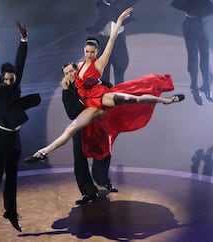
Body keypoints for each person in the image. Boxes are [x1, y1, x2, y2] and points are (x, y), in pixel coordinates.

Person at [25, 7, 184, 164]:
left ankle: (167, 101)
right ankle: (42, 152)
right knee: (71, 129)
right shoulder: (78, 66)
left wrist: (120, 20)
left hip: (102, 98)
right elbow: (71, 78)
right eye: (87, 51)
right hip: (90, 105)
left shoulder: (99, 64)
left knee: (133, 98)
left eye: (92, 52)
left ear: (97, 52)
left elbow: (112, 40)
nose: (89, 54)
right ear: (84, 50)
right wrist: (68, 81)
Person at [0, 24, 41, 236]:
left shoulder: (15, 85)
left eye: (12, 79)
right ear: (1, 78)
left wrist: (24, 40)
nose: (9, 82)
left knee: (13, 177)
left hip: (14, 137)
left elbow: (20, 63)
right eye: (6, 79)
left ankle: (11, 212)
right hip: (0, 137)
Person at [61, 62, 117, 205]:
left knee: (103, 153)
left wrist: (98, 81)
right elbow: (71, 113)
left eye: (71, 71)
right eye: (66, 73)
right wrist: (77, 97)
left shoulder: (88, 80)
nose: (70, 75)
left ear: (77, 70)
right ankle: (88, 192)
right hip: (80, 127)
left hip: (96, 124)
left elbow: (109, 86)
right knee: (79, 160)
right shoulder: (67, 91)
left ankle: (103, 181)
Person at [171, 0, 213, 105]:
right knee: (193, 56)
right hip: (191, 24)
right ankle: (195, 85)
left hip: (202, 24)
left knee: (204, 56)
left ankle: (206, 86)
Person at [86, 0, 138, 85]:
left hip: (118, 41)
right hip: (103, 41)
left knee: (120, 70)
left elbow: (126, 15)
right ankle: (106, 94)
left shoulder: (121, 4)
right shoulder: (100, 5)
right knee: (104, 74)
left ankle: (119, 94)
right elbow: (99, 20)